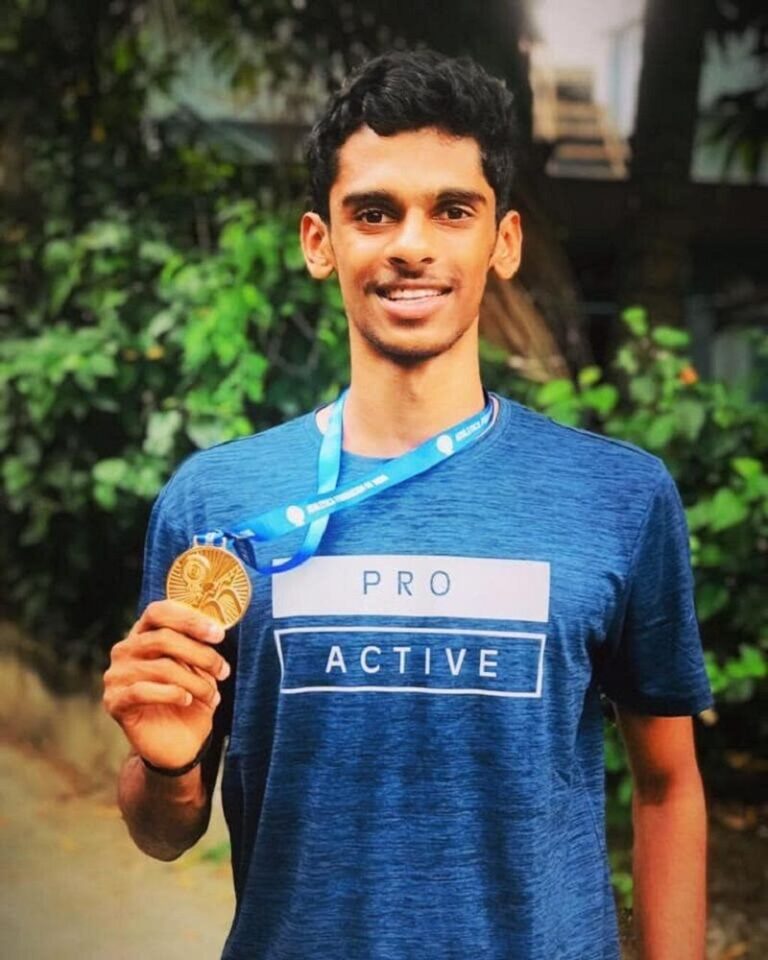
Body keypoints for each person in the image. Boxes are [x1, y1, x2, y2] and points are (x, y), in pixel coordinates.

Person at [103, 49, 712, 960]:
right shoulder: (216, 502)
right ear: (322, 242)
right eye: (374, 212)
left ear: (502, 241)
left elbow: (669, 790)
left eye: (452, 211)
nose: (412, 244)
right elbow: (162, 832)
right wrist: (170, 765)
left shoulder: (618, 496)